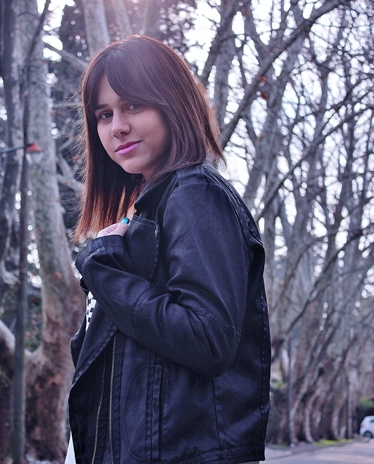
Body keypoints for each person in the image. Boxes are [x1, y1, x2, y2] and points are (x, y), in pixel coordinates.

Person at [67, 35, 271, 464]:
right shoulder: (145, 214)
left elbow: (209, 338)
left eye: (133, 105)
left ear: (172, 104)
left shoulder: (194, 194)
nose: (117, 126)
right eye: (104, 114)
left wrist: (105, 273)